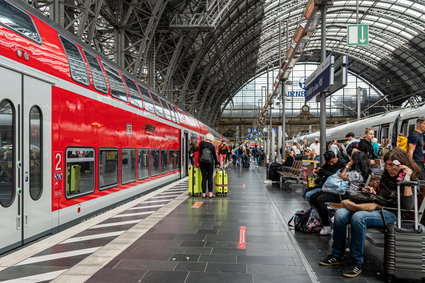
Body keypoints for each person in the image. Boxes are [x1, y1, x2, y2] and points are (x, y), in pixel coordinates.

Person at [319, 148, 420, 278]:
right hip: (378, 207)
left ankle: (356, 262)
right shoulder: (387, 176)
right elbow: (382, 195)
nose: (388, 168)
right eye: (386, 164)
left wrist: (407, 180)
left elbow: (407, 207)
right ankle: (337, 255)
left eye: (391, 165)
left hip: (394, 213)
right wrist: (374, 191)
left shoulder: (410, 178)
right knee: (340, 214)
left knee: (358, 217)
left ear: (401, 164)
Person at [310, 151, 370, 236]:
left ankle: (326, 224)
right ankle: (323, 221)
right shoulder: (358, 171)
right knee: (314, 197)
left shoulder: (356, 173)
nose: (350, 160)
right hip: (342, 191)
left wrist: (347, 165)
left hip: (347, 195)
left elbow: (341, 176)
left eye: (352, 159)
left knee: (320, 199)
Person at [197, 133, 219, 198]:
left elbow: (198, 153)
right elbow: (215, 156)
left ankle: (203, 194)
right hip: (210, 163)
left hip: (202, 163)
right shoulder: (212, 146)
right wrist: (216, 163)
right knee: (210, 178)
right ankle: (210, 193)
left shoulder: (201, 144)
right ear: (211, 139)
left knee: (204, 178)